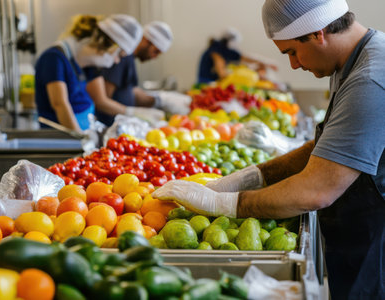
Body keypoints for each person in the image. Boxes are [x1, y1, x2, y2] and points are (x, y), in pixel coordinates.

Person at [153, 0, 385, 299]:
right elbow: (332, 146)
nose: (294, 64)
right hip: (359, 226)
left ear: (318, 33)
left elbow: (315, 190)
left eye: (291, 51)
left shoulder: (370, 78)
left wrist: (226, 205)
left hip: (375, 235)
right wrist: (253, 176)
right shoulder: (355, 59)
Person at [34, 14, 142, 131]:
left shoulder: (83, 64)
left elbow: (96, 99)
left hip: (85, 134)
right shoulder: (54, 58)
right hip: (61, 140)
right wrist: (79, 139)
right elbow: (60, 104)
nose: (116, 61)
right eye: (118, 55)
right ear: (104, 44)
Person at [85, 21, 190, 126]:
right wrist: (131, 112)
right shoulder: (122, 57)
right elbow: (102, 101)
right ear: (146, 41)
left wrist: (159, 100)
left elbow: (130, 90)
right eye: (155, 51)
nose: (154, 57)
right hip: (108, 125)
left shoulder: (129, 59)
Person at [197, 27, 278, 84]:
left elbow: (245, 57)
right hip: (206, 83)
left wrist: (267, 63)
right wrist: (251, 73)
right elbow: (222, 74)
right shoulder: (215, 52)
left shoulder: (224, 49)